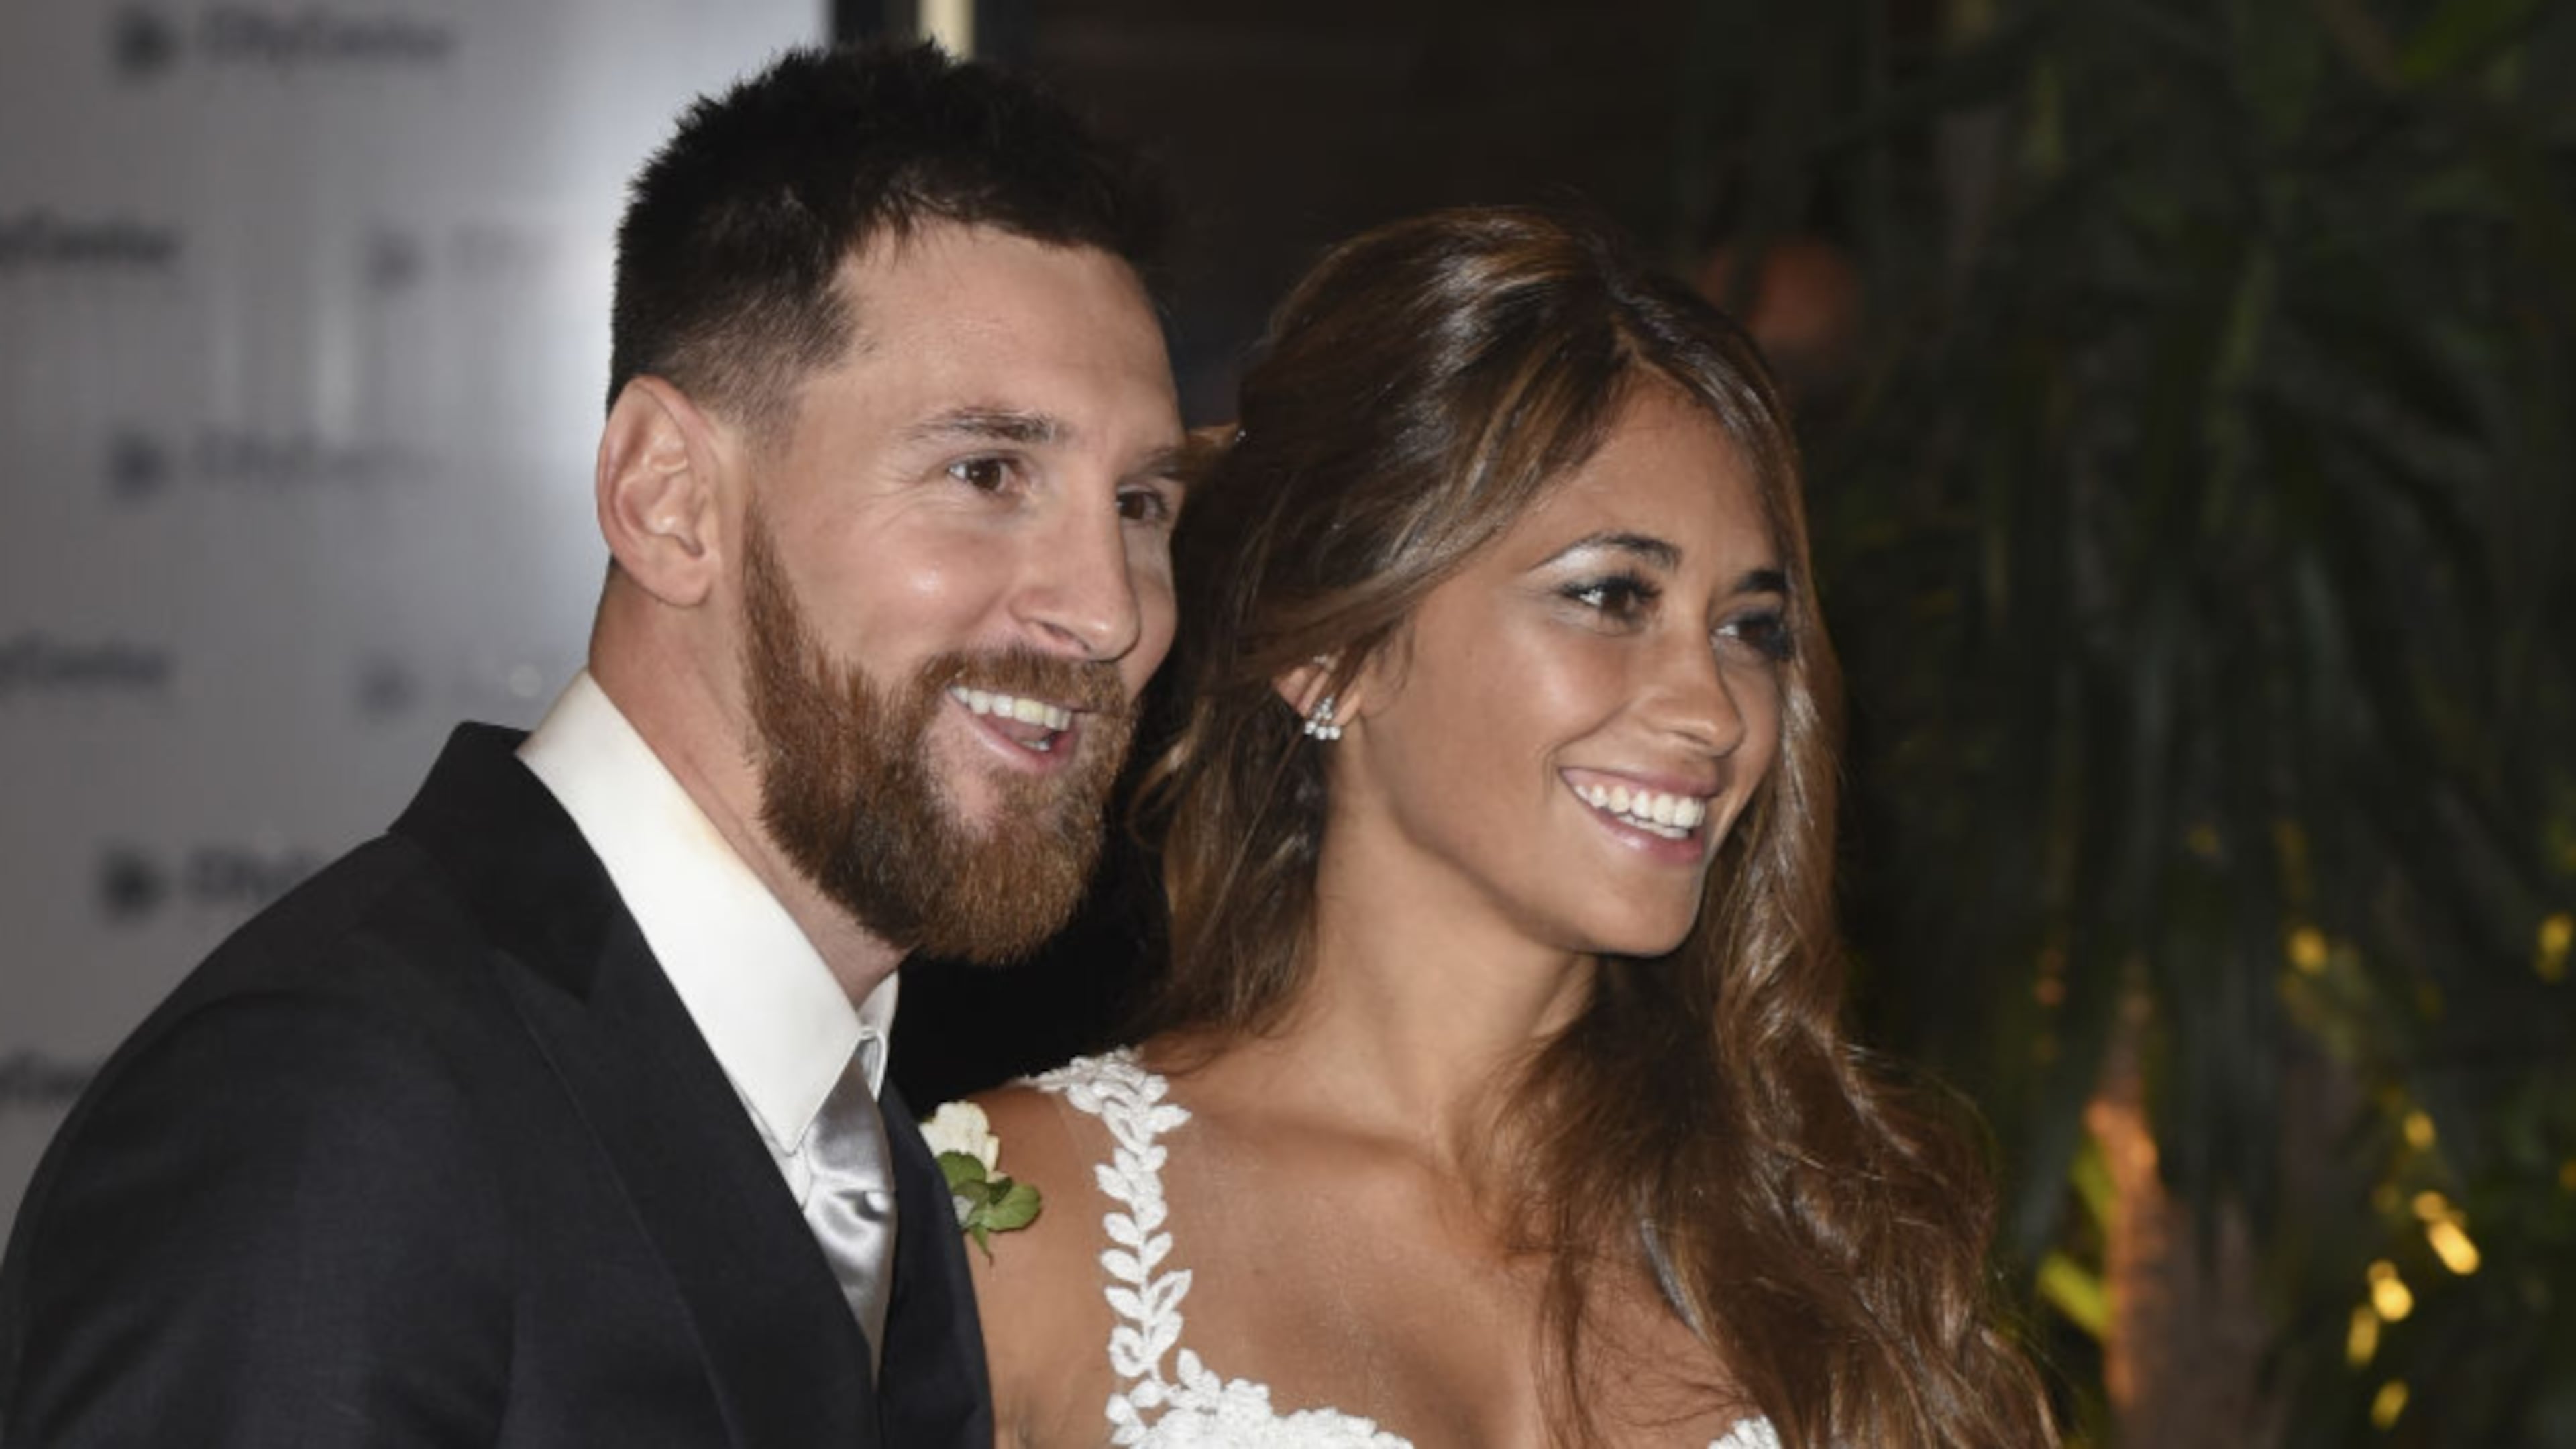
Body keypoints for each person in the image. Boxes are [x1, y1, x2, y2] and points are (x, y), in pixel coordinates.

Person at [0, 42, 1186, 1448]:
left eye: (1141, 504)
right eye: (986, 473)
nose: (1108, 611)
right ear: (668, 499)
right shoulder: (333, 1117)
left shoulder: (858, 1126)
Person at [963, 209, 2057, 1448]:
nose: (1712, 709)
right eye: (1609, 597)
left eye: (1748, 628)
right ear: (1333, 654)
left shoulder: (1828, 1233)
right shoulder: (1016, 1223)